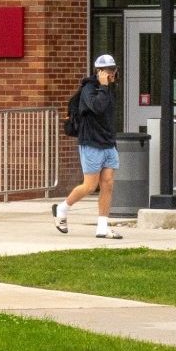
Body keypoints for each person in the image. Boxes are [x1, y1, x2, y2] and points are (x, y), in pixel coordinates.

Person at [55, 54, 124, 239]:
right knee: (90, 185)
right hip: (92, 143)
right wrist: (102, 86)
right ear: (99, 72)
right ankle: (62, 209)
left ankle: (102, 226)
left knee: (108, 183)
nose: (112, 73)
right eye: (108, 70)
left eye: (113, 69)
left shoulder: (109, 88)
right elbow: (98, 108)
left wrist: (106, 87)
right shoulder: (89, 89)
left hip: (108, 142)